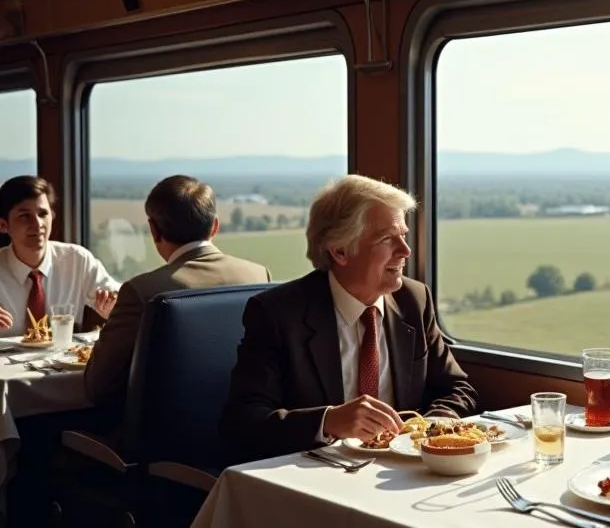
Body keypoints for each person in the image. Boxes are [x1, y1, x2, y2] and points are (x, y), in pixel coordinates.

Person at [220, 175, 478, 462]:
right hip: (314, 476)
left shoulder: (414, 301)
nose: (405, 251)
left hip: (401, 471)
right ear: (340, 251)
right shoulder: (278, 314)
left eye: (403, 235)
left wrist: (429, 429)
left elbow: (456, 388)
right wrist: (328, 421)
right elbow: (243, 423)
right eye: (387, 239)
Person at [84, 175, 271, 409]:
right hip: (243, 434)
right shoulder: (258, 276)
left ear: (153, 230)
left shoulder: (142, 291)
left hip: (159, 441)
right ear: (215, 226)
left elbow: (98, 387)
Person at [0, 175, 119, 337]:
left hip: (62, 361)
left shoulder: (77, 260)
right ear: (3, 225)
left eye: (43, 214)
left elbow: (123, 303)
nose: (37, 224)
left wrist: (112, 309)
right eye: (24, 216)